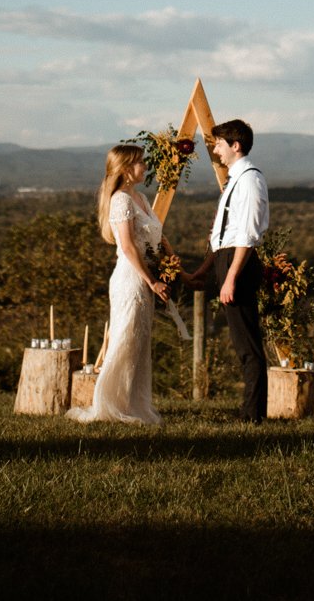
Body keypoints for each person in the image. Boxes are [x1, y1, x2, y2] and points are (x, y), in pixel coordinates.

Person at [68, 141, 170, 425]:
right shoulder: (121, 200)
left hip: (144, 277)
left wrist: (172, 263)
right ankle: (108, 405)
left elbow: (156, 237)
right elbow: (127, 246)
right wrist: (151, 281)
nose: (145, 166)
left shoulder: (141, 199)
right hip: (131, 279)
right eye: (140, 162)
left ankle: (131, 403)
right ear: (126, 169)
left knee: (138, 344)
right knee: (124, 340)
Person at [187, 119, 269, 422]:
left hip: (240, 264)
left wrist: (231, 277)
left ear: (236, 146)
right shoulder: (234, 179)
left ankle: (252, 415)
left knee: (248, 344)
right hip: (227, 260)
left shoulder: (249, 180)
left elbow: (246, 235)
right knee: (241, 342)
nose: (215, 150)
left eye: (220, 144)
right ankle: (250, 412)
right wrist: (206, 269)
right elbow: (223, 235)